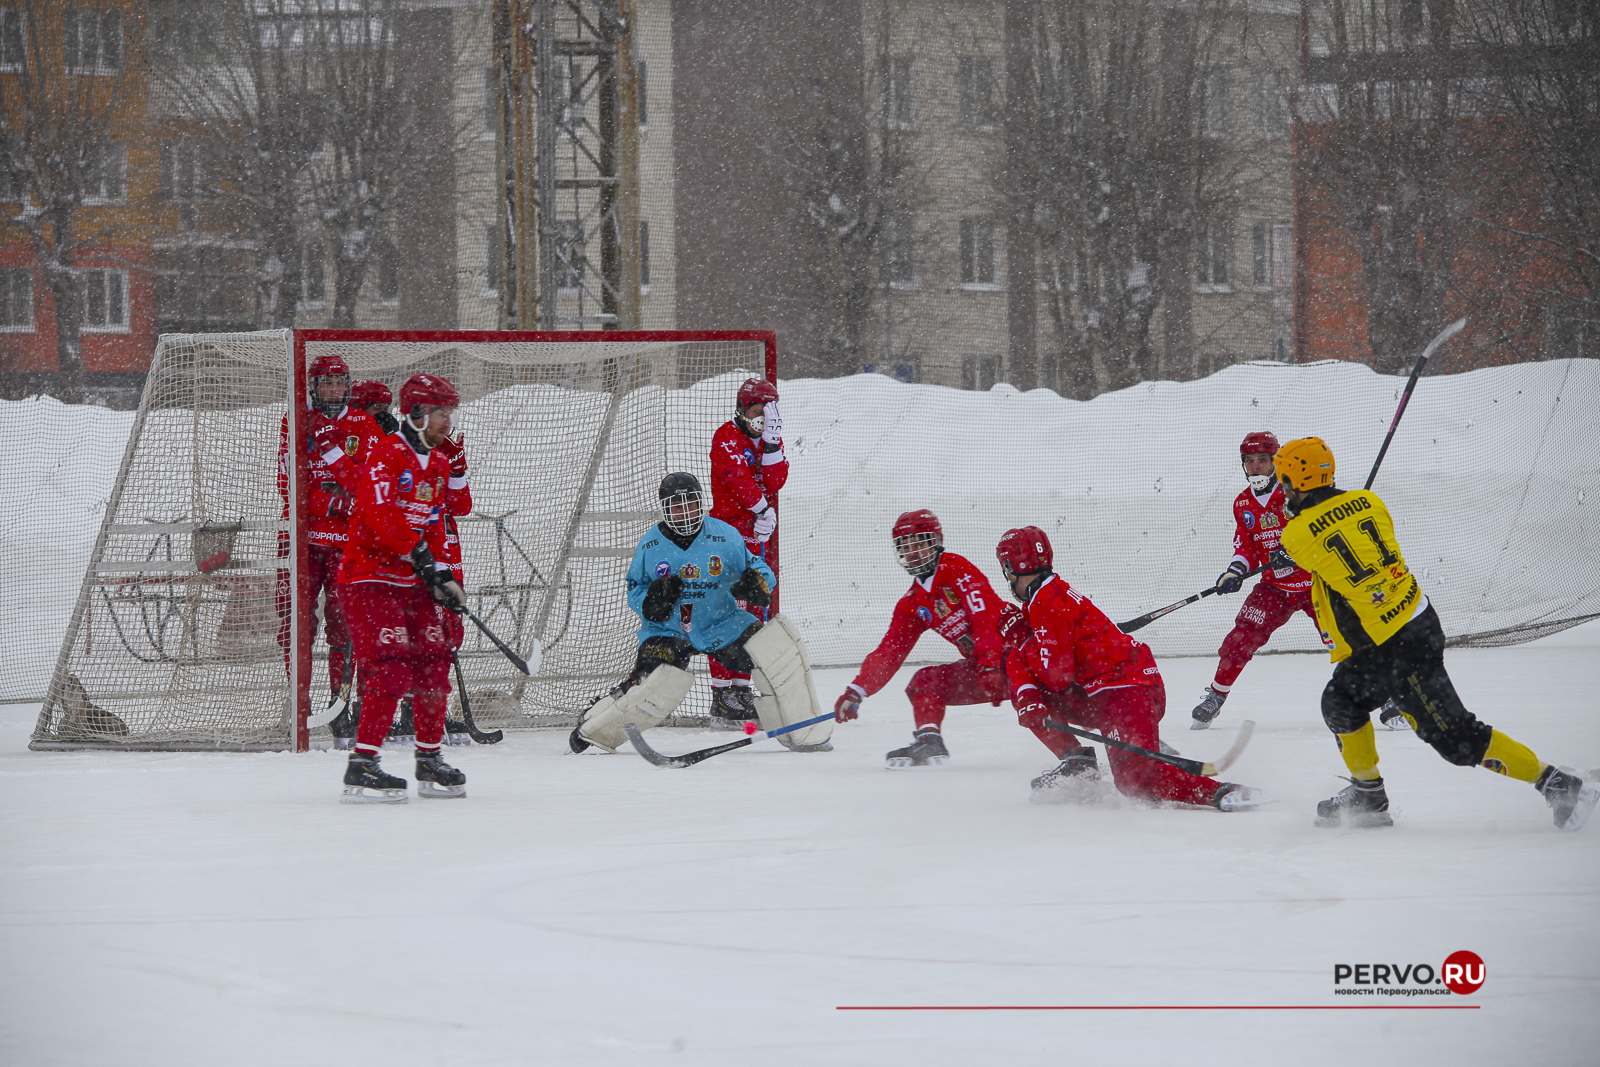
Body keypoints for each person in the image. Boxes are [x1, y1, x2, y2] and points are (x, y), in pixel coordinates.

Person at [1272, 437, 1597, 831]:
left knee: (1457, 739)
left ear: (1299, 481)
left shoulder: (1297, 534)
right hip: (1405, 623)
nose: (1282, 487)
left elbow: (1307, 543)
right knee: (1340, 701)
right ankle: (1369, 795)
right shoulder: (1369, 501)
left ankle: (1558, 784)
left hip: (1400, 644)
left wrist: (1294, 538)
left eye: (1284, 479)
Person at [997, 525, 1265, 810]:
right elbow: (1021, 657)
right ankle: (1078, 760)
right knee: (1025, 685)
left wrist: (1022, 639)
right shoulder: (1042, 597)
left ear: (1009, 567)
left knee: (1134, 780)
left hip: (1126, 688)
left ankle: (1223, 792)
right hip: (1104, 691)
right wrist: (1026, 693)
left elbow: (1057, 677)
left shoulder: (1047, 602)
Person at [570, 472, 830, 755]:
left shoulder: (725, 535)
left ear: (700, 503)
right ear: (665, 509)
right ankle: (595, 725)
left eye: (691, 504)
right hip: (668, 631)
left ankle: (802, 728)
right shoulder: (651, 545)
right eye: (677, 506)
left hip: (722, 624)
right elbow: (635, 588)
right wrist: (651, 601)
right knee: (650, 685)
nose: (686, 512)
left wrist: (757, 583)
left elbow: (759, 568)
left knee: (775, 651)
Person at [1194, 431, 1409, 732]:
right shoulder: (1242, 503)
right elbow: (1245, 546)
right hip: (1274, 589)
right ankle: (1216, 696)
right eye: (1250, 461)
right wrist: (1234, 571)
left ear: (1275, 462)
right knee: (1239, 640)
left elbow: (1322, 529)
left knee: (1348, 640)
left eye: (1262, 460)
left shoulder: (1295, 493)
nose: (1255, 467)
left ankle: (1387, 698)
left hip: (1314, 585)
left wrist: (1297, 552)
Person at [335, 373, 471, 803]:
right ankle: (362, 765)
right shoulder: (386, 454)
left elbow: (432, 523)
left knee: (434, 659)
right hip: (369, 578)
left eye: (449, 412)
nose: (446, 421)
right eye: (439, 412)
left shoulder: (440, 464)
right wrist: (419, 554)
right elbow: (380, 513)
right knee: (390, 669)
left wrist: (442, 575)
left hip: (411, 577)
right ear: (414, 413)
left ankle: (429, 758)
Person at [832, 509, 1027, 768]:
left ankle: (1079, 752)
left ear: (935, 542)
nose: (913, 551)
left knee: (1056, 705)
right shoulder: (912, 603)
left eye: (920, 542)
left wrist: (990, 662)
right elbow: (889, 651)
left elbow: (985, 617)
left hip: (1026, 659)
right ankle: (929, 740)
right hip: (988, 670)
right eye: (905, 545)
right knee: (926, 681)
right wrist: (856, 691)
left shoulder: (956, 569)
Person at [275, 354, 386, 744]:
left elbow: (368, 487)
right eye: (326, 383)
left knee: (348, 626)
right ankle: (299, 707)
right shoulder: (295, 420)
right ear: (314, 387)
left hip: (348, 546)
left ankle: (342, 707)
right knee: (294, 625)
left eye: (340, 383)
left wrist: (344, 494)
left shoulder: (364, 424)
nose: (334, 391)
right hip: (301, 539)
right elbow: (289, 485)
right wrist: (332, 503)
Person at [706, 377, 788, 723]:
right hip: (729, 534)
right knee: (728, 610)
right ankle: (721, 693)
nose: (763, 418)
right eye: (758, 411)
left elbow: (777, 480)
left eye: (769, 412)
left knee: (755, 610)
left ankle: (740, 688)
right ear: (743, 408)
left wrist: (771, 446)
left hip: (758, 536)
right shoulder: (727, 436)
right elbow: (736, 478)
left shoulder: (769, 439)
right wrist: (761, 509)